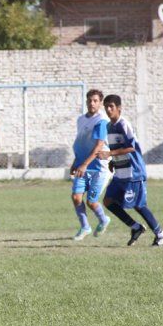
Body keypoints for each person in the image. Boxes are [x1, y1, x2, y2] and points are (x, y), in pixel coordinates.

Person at [97, 94, 163, 246]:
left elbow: (131, 147)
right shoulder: (108, 126)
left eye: (111, 106)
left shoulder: (124, 124)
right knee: (108, 201)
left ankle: (161, 235)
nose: (109, 109)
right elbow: (117, 147)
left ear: (119, 108)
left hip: (133, 172)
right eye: (106, 107)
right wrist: (113, 162)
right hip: (120, 172)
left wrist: (109, 154)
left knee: (139, 205)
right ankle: (135, 227)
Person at [70, 89, 111, 240]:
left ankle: (104, 219)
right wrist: (76, 162)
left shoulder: (102, 121)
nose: (92, 103)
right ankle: (85, 227)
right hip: (82, 165)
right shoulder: (80, 120)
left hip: (98, 168)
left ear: (100, 103)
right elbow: (81, 143)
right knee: (76, 197)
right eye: (89, 100)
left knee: (91, 202)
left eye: (95, 101)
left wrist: (84, 164)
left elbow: (98, 146)